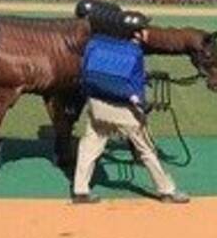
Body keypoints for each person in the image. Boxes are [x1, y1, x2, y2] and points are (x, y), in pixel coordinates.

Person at [71, 28, 190, 205]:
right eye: (144, 30)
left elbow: (85, 74)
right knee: (146, 149)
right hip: (125, 111)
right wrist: (141, 105)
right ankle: (167, 191)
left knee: (89, 146)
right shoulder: (135, 53)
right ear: (137, 34)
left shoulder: (96, 44)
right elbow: (134, 88)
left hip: (97, 106)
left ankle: (80, 191)